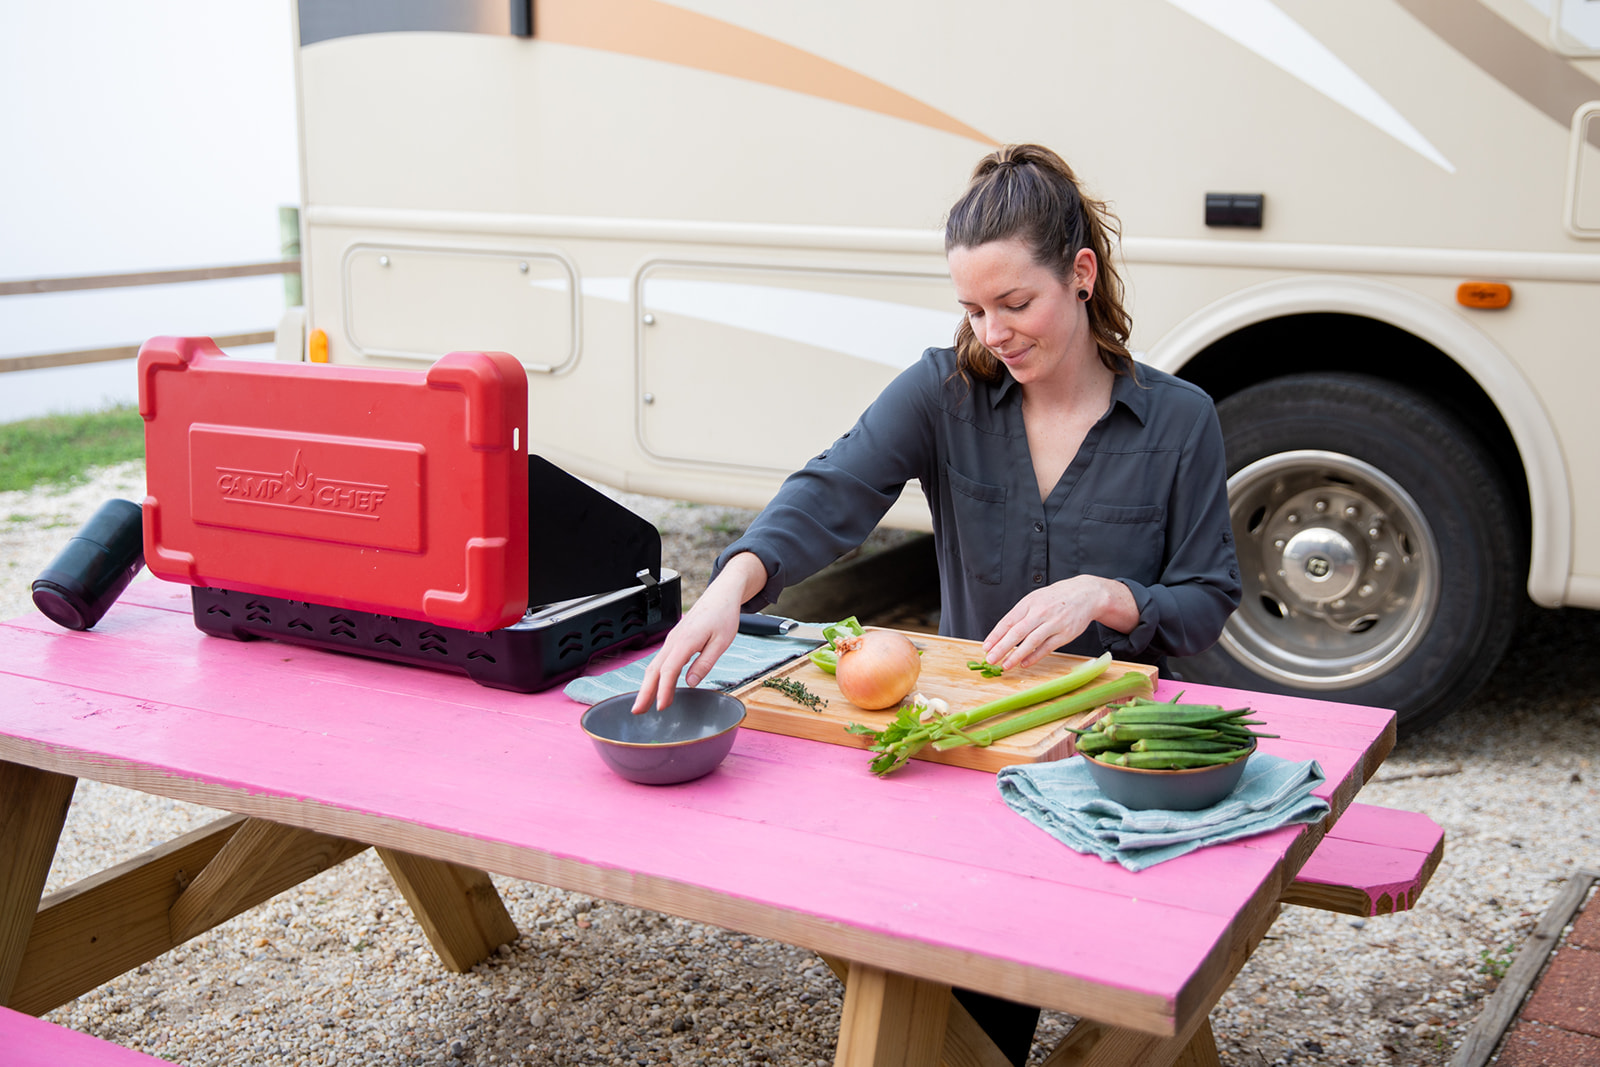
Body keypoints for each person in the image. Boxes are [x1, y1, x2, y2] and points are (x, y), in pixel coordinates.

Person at [630, 142, 1242, 1063]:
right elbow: (832, 490)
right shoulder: (943, 392)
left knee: (1082, 978)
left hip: (1111, 761)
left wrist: (1110, 594)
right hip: (968, 751)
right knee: (932, 959)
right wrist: (734, 582)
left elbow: (1205, 601)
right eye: (972, 307)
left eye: (1015, 302)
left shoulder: (1180, 419)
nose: (993, 331)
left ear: (1081, 275)